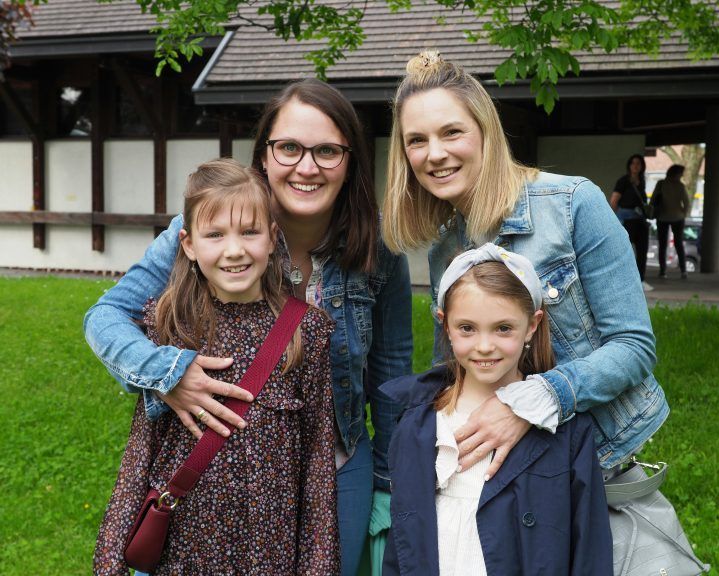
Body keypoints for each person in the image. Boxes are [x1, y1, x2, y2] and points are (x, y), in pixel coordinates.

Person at [84, 79, 413, 576]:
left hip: (336, 470)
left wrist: (390, 483)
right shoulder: (202, 231)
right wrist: (170, 372)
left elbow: (391, 378)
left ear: (350, 162)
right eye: (289, 148)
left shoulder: (378, 251)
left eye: (327, 150)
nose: (307, 167)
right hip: (209, 487)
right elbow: (105, 319)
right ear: (264, 155)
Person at [382, 51, 668, 482]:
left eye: (452, 132)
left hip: (594, 463)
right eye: (416, 140)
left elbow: (633, 347)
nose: (434, 154)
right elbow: (463, 364)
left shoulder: (574, 205)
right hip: (503, 477)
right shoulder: (446, 251)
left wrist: (534, 400)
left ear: (485, 133)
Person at [93, 158, 339, 574]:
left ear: (272, 238)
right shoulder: (167, 325)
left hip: (269, 552)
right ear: (188, 244)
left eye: (249, 232)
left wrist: (317, 566)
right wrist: (111, 556)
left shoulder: (307, 330)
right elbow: (142, 449)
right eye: (215, 235)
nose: (235, 249)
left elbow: (316, 462)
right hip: (184, 550)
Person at [382, 244, 612, 575]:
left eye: (503, 328)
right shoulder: (418, 424)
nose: (485, 345)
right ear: (444, 324)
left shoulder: (568, 431)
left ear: (532, 325)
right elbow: (402, 545)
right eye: (467, 328)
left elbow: (590, 548)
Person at [610, 153, 653, 290]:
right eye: (633, 163)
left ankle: (641, 280)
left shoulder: (642, 182)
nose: (636, 166)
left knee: (642, 250)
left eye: (639, 163)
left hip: (640, 220)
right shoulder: (623, 181)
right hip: (627, 220)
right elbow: (614, 201)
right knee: (625, 252)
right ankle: (624, 280)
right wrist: (615, 221)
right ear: (629, 166)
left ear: (642, 166)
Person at [650, 164, 691, 279]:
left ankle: (662, 271)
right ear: (677, 174)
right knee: (679, 244)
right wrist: (683, 213)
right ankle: (683, 270)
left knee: (662, 245)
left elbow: (653, 200)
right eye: (681, 173)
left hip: (662, 217)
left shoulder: (661, 184)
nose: (682, 175)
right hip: (678, 218)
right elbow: (687, 203)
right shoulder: (680, 186)